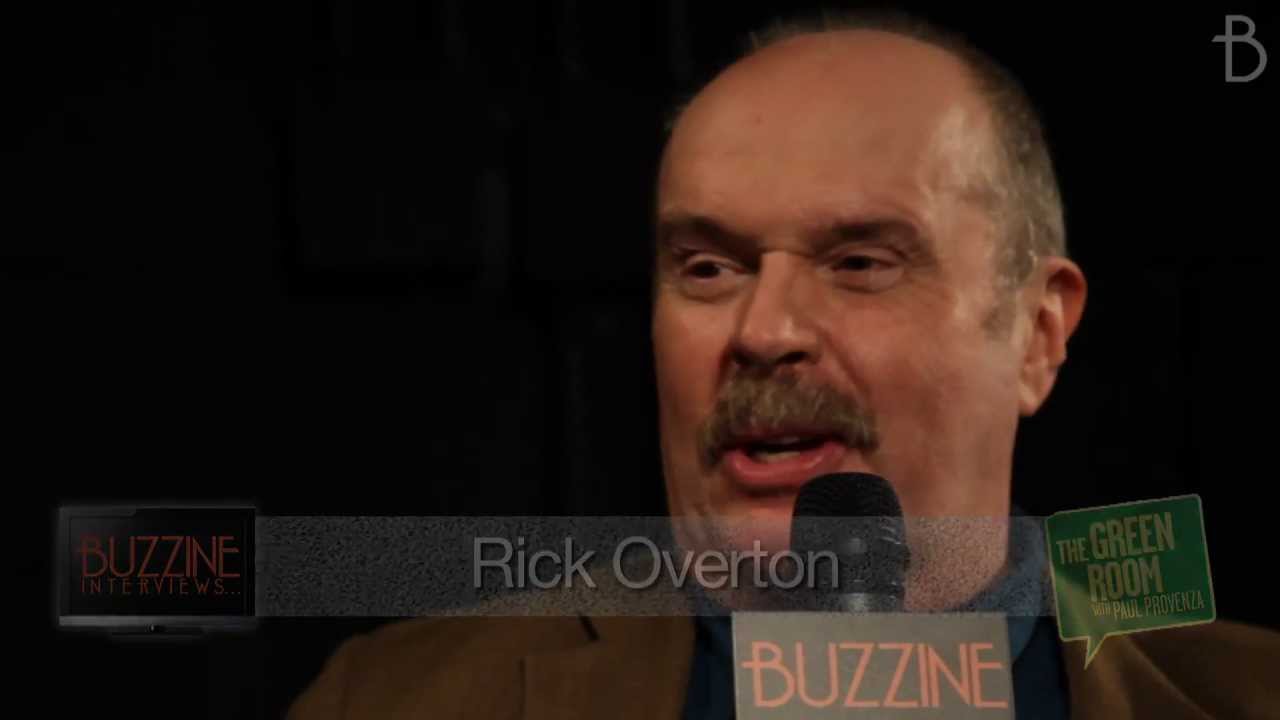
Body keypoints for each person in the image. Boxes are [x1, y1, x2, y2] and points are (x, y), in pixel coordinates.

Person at [288, 12, 1280, 719]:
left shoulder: (1246, 691)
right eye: (708, 268)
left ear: (1037, 334)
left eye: (859, 263)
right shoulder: (392, 700)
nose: (763, 330)